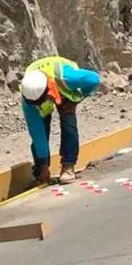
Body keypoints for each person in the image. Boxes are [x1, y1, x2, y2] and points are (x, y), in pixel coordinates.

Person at [19, 57, 101, 185]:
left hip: (62, 88)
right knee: (40, 129)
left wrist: (76, 100)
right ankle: (40, 170)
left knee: (68, 124)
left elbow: (94, 79)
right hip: (42, 93)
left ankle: (68, 166)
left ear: (49, 90)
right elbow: (37, 134)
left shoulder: (67, 78)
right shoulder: (28, 99)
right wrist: (43, 165)